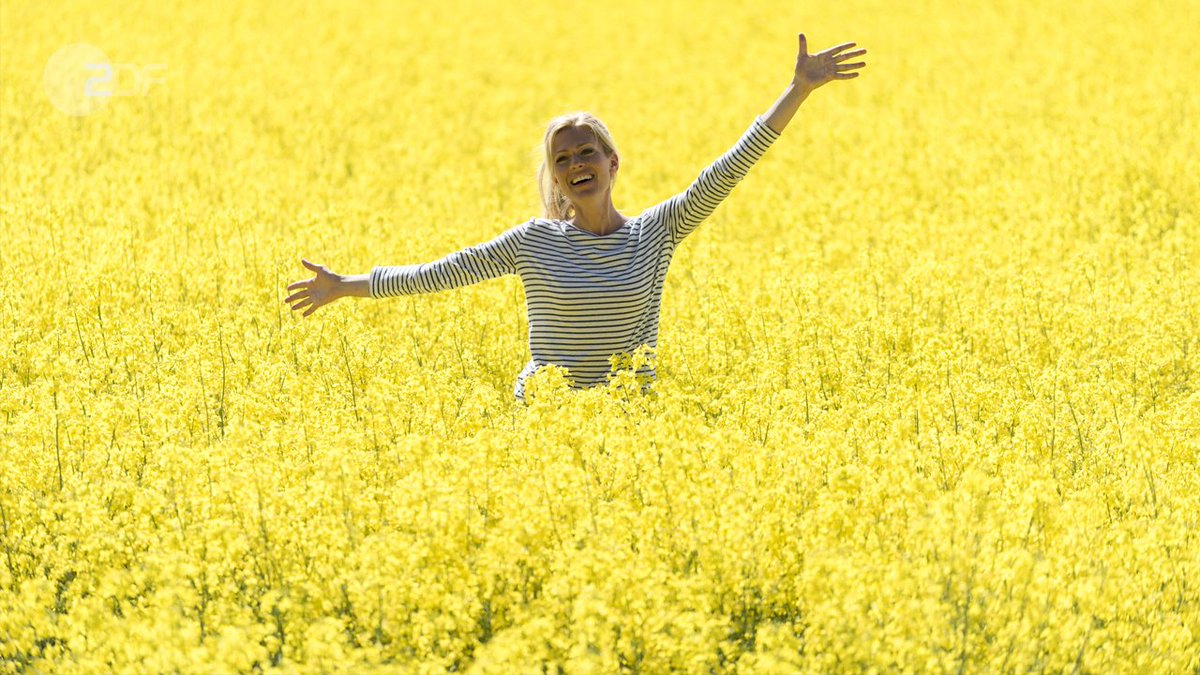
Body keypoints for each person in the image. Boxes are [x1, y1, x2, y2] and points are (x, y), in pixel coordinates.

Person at [285, 34, 866, 402]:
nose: (575, 164)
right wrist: (345, 287)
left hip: (627, 422)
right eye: (562, 159)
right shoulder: (535, 242)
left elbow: (726, 171)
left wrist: (798, 91)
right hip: (546, 419)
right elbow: (440, 273)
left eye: (586, 152)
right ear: (556, 178)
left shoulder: (655, 233)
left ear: (612, 162)